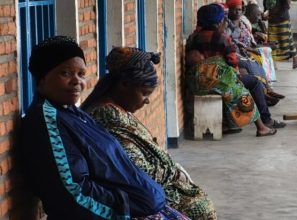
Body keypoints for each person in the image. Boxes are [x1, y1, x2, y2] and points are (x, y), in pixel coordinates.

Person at [20, 36, 186, 219]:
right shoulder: (47, 122)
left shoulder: (72, 113)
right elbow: (73, 194)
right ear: (43, 78)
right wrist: (125, 208)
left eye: (81, 74)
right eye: (65, 73)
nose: (77, 81)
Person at [81, 47, 217, 219]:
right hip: (138, 196)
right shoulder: (106, 116)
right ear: (124, 85)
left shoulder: (116, 110)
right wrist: (172, 172)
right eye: (144, 93)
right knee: (199, 209)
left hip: (151, 190)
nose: (147, 100)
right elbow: (135, 168)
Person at [185, 3, 281, 134]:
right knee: (253, 84)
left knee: (240, 82)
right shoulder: (223, 38)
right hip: (221, 83)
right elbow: (232, 61)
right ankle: (264, 122)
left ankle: (229, 124)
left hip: (198, 84)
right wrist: (236, 71)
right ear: (219, 21)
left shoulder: (192, 38)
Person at [224, 0, 284, 106]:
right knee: (249, 64)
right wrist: (245, 49)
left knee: (256, 63)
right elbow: (229, 42)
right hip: (236, 53)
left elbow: (249, 40)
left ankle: (267, 90)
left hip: (244, 52)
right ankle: (263, 95)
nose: (237, 12)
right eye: (234, 9)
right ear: (229, 10)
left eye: (239, 9)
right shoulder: (226, 25)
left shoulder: (241, 23)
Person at [258, 0, 297, 68]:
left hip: (282, 19)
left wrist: (275, 15)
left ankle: (295, 57)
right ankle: (273, 63)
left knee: (286, 39)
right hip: (272, 21)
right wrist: (264, 15)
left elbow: (287, 3)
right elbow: (267, 7)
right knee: (272, 41)